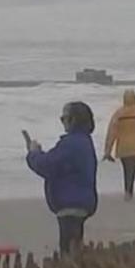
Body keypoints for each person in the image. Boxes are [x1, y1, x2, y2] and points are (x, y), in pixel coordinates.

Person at [25, 101, 99, 255]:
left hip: (71, 203)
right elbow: (56, 164)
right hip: (81, 201)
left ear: (73, 120)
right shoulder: (83, 141)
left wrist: (33, 153)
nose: (62, 122)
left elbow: (47, 166)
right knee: (74, 247)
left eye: (64, 118)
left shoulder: (71, 143)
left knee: (68, 250)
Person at [103, 89, 135, 201]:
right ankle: (129, 190)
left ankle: (128, 191)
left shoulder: (119, 113)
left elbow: (112, 132)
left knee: (127, 168)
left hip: (123, 147)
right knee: (132, 169)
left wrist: (108, 151)